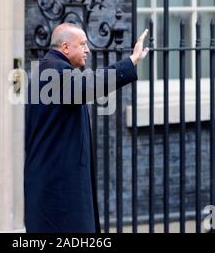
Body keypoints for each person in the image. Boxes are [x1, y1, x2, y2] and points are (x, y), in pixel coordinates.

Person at [24, 23, 149, 233]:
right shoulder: (53, 71)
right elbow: (88, 86)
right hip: (56, 186)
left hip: (54, 180)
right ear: (65, 47)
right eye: (82, 44)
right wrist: (131, 61)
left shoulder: (51, 68)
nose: (87, 49)